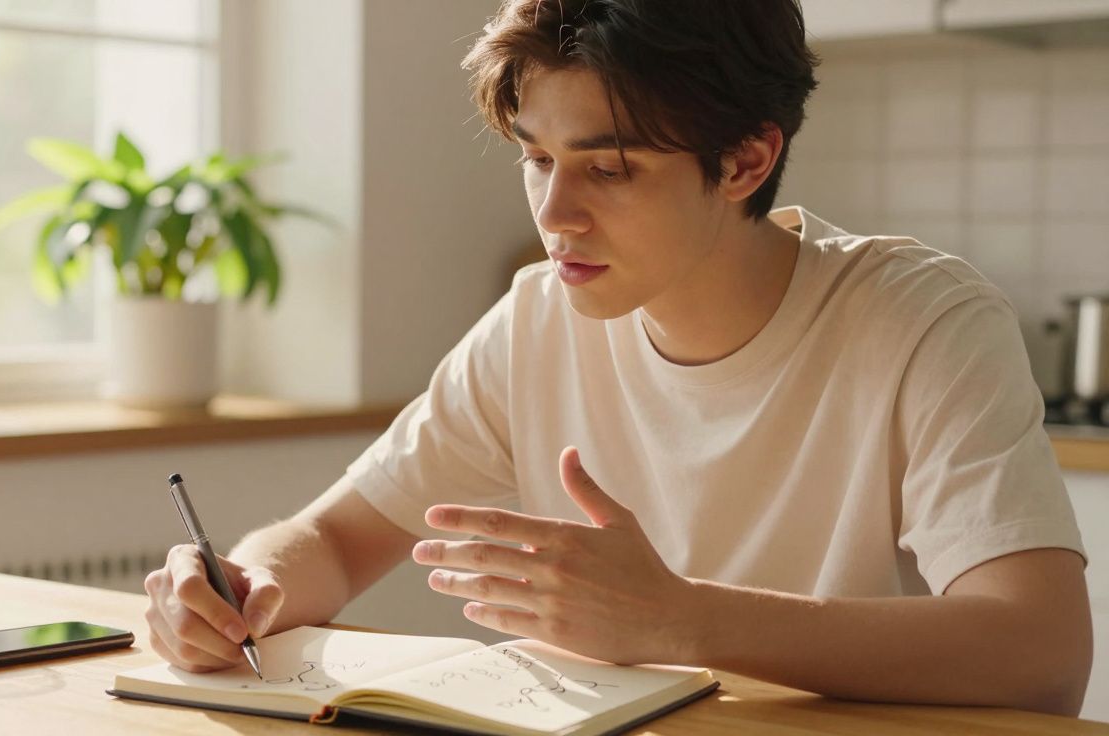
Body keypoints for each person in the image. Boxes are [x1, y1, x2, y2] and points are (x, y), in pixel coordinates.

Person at [144, 0, 1092, 716]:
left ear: (746, 163)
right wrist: (240, 589)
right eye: (535, 157)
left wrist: (680, 619)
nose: (554, 214)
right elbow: (336, 540)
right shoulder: (536, 319)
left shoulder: (921, 318)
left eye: (608, 168)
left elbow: (1043, 650)